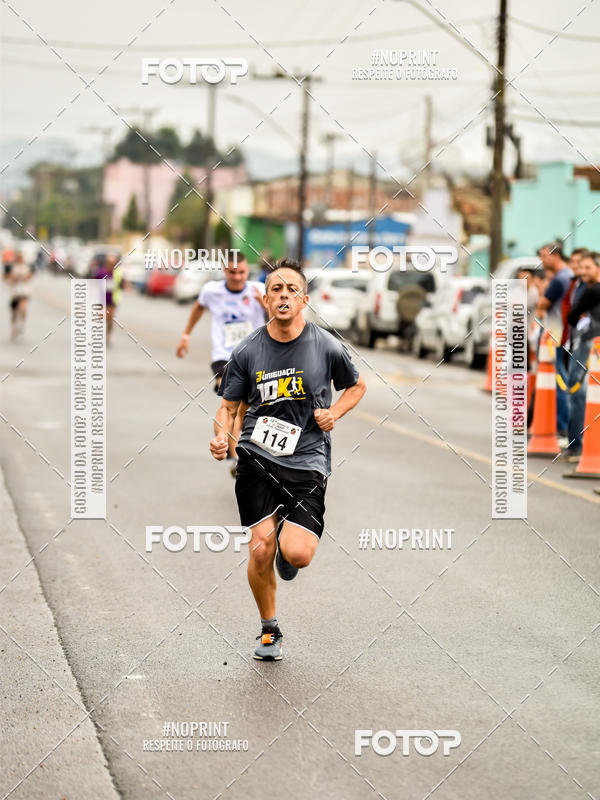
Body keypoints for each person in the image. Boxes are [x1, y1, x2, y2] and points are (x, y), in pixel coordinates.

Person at [209, 258, 366, 661]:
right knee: (259, 548)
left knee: (298, 554)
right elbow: (228, 407)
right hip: (257, 457)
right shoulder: (246, 351)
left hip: (308, 460)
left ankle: (286, 546)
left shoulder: (326, 345)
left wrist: (335, 413)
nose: (283, 296)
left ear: (304, 300)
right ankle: (269, 629)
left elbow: (357, 386)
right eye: (275, 289)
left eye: (291, 290)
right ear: (264, 299)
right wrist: (220, 438)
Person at [176, 251, 265, 472]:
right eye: (233, 272)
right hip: (224, 357)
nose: (237, 277)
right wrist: (185, 335)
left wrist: (264, 305)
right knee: (230, 405)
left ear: (248, 271)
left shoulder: (258, 290)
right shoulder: (211, 291)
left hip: (254, 357)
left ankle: (233, 449)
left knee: (244, 409)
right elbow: (198, 308)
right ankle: (235, 458)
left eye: (242, 272)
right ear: (225, 271)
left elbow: (278, 318)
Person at [561, 252, 600, 461]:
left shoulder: (592, 291)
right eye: (580, 267)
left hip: (588, 346)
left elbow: (571, 315)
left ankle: (576, 445)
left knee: (577, 393)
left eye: (587, 267)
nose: (582, 272)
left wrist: (579, 319)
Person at [535, 243, 573, 436]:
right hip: (559, 333)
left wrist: (543, 289)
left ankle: (563, 425)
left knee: (559, 379)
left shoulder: (560, 279)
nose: (542, 260)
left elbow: (542, 303)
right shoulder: (566, 275)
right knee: (559, 377)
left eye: (544, 256)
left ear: (556, 255)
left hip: (556, 334)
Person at [92, 254, 124, 346]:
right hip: (101, 300)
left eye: (113, 263)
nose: (112, 265)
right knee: (101, 318)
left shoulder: (117, 273)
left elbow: (122, 284)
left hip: (112, 300)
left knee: (110, 319)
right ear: (106, 263)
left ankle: (108, 336)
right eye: (110, 263)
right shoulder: (101, 273)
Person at [4, 252, 32, 339]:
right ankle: (13, 327)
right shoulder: (12, 267)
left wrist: (24, 278)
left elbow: (29, 277)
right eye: (19, 258)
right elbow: (7, 278)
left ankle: (22, 324)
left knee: (23, 308)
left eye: (21, 258)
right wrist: (13, 279)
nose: (20, 259)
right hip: (15, 292)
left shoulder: (26, 267)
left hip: (24, 292)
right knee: (14, 312)